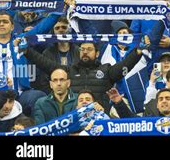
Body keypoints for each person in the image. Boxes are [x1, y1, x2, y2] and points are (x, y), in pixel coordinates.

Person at [20, 35, 151, 112]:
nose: (85, 52)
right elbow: (45, 63)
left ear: (97, 53)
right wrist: (27, 51)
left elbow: (125, 65)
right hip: (73, 119)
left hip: (100, 118)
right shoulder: (68, 71)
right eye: (82, 49)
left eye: (89, 49)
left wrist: (138, 51)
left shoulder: (106, 70)